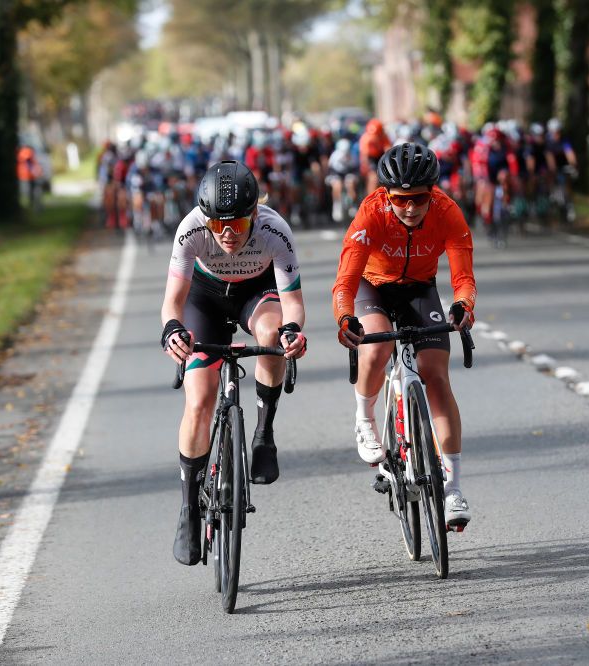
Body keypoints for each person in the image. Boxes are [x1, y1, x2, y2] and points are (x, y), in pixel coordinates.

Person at [160, 160, 308, 565]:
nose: (226, 235)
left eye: (237, 226)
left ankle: (263, 431)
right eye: (217, 226)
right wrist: (172, 328)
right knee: (199, 399)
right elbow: (173, 300)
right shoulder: (190, 228)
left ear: (254, 215)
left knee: (271, 335)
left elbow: (292, 301)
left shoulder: (274, 229)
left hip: (254, 295)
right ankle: (190, 508)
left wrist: (292, 330)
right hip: (203, 300)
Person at [332, 143, 477, 529]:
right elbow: (345, 283)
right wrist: (346, 317)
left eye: (419, 199)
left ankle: (453, 488)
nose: (410, 208)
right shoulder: (371, 214)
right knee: (377, 344)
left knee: (437, 375)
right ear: (387, 195)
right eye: (401, 200)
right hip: (372, 287)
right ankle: (364, 417)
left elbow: (463, 279)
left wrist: (463, 305)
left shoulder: (447, 213)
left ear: (433, 193)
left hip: (418, 287)